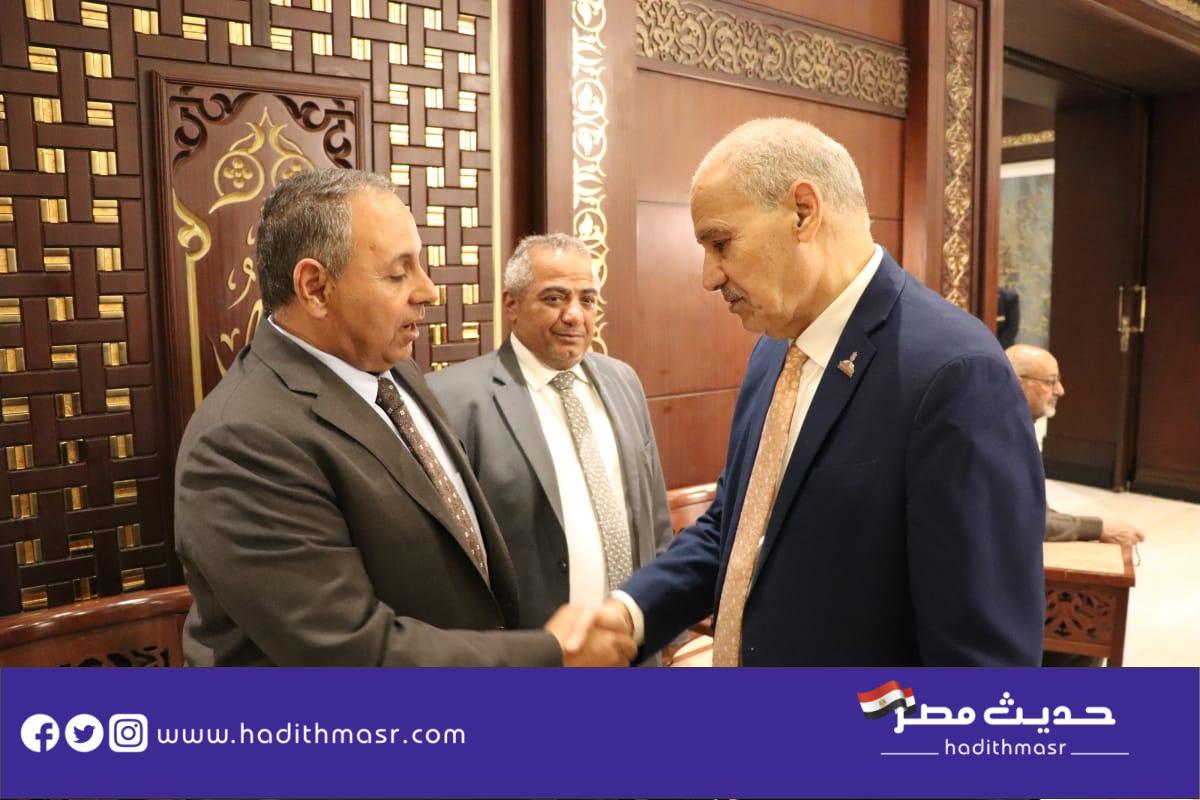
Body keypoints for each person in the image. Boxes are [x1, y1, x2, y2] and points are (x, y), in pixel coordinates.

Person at [603, 118, 1046, 666]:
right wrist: (630, 613)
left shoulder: (957, 374)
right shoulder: (773, 351)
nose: (708, 277)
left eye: (720, 243)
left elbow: (982, 661)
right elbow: (738, 527)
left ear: (803, 212)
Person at [174, 168, 635, 667]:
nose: (428, 291)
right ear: (315, 287)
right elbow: (351, 652)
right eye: (399, 274)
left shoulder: (395, 372)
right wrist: (551, 654)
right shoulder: (243, 441)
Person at [427, 234, 674, 648]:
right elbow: (447, 565)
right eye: (555, 298)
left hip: (631, 645)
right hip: (531, 654)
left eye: (587, 300)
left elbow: (655, 518)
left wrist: (667, 625)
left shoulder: (623, 380)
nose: (574, 316)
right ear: (512, 304)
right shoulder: (453, 400)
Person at [1005, 343, 1147, 546]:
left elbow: (1035, 510)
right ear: (1016, 383)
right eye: (1050, 382)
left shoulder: (1016, 427)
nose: (1060, 390)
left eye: (1058, 381)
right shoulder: (1000, 439)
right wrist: (1099, 528)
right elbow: (1027, 521)